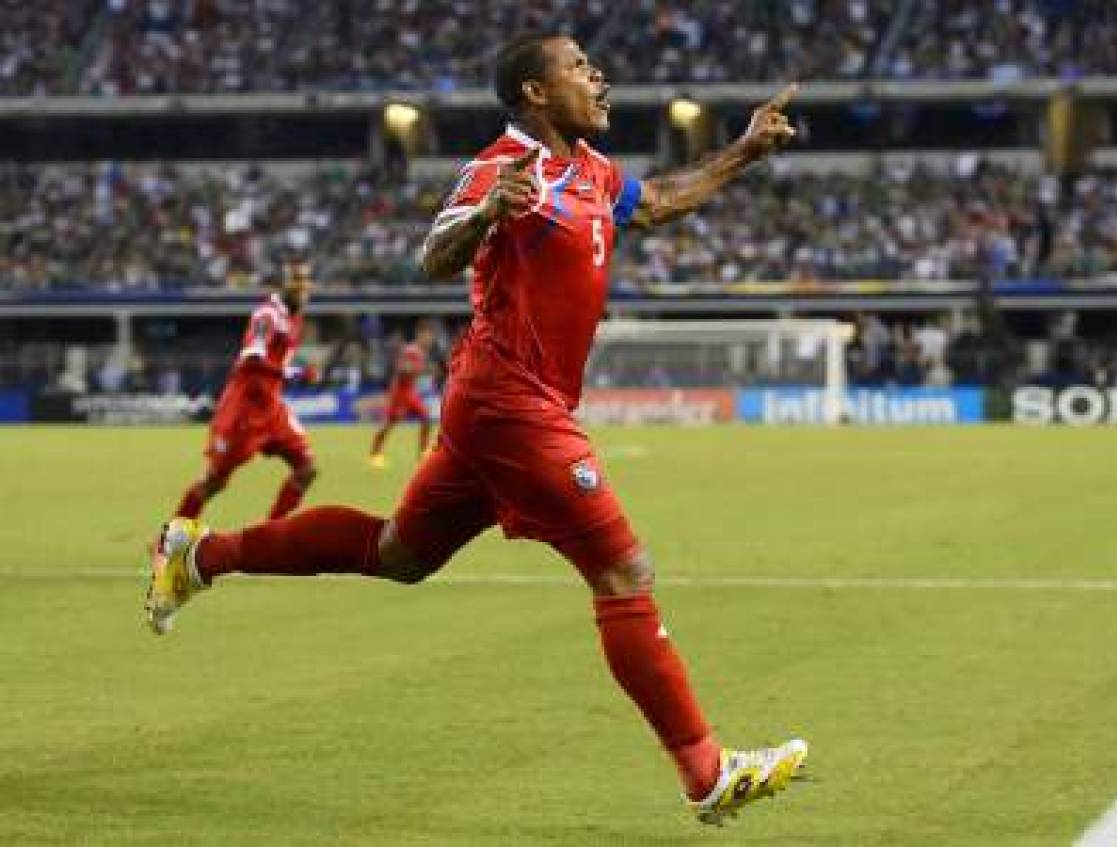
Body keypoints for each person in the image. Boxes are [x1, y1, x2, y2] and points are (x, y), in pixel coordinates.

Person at [146, 33, 807, 825]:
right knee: (624, 571)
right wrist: (487, 214)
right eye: (578, 67)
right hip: (511, 402)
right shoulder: (503, 164)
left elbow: (659, 203)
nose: (599, 77)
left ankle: (199, 554)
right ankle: (705, 771)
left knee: (397, 553)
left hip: (501, 406)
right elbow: (433, 253)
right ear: (535, 92)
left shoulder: (591, 172)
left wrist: (742, 151)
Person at [172, 264, 317, 521]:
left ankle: (269, 536)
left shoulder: (294, 317)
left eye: (306, 284)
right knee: (214, 482)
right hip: (244, 413)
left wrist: (289, 372)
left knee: (306, 469)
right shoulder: (267, 315)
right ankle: (166, 545)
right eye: (296, 283)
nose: (303, 290)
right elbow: (251, 358)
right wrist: (293, 373)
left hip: (272, 409)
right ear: (282, 285)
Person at [368, 320, 437, 468]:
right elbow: (401, 369)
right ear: (420, 334)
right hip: (399, 392)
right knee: (388, 424)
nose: (430, 339)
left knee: (426, 417)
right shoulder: (411, 350)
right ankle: (375, 453)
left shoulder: (421, 351)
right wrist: (411, 369)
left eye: (431, 337)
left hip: (410, 392)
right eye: (428, 336)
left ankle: (423, 453)